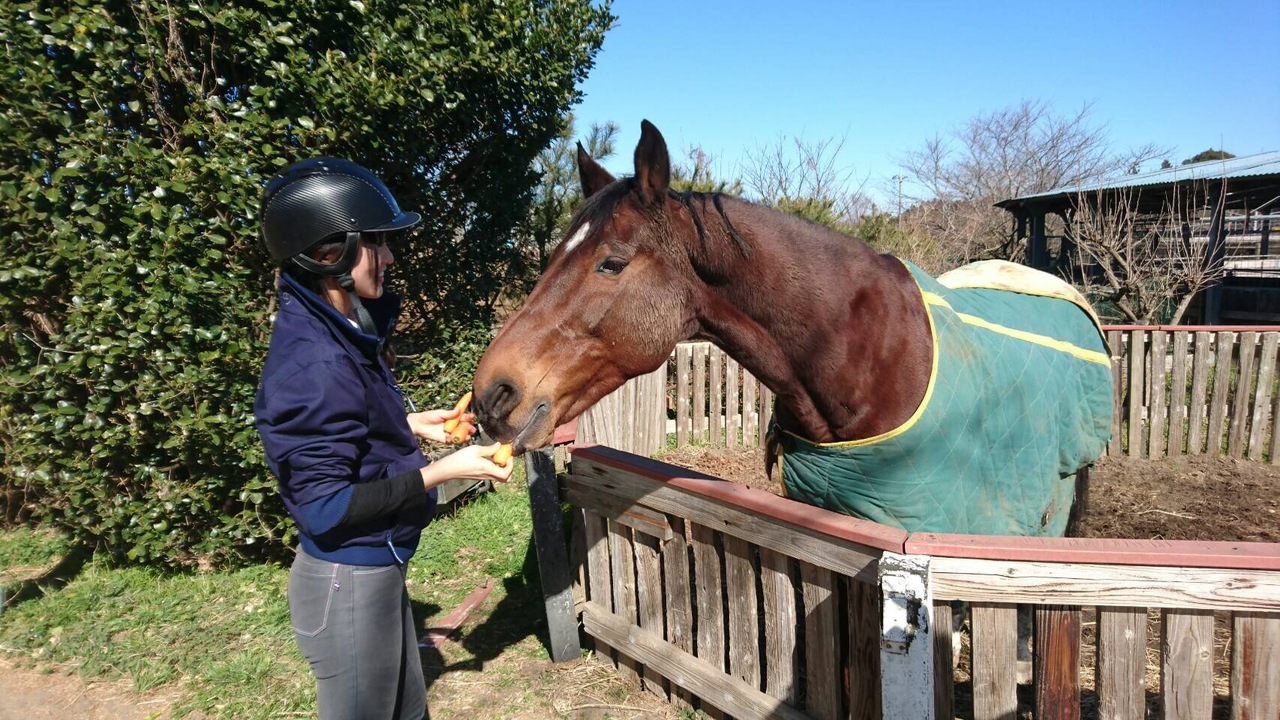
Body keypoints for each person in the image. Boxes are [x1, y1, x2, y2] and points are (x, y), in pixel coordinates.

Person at [253, 157, 513, 720]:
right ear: (329, 253)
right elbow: (325, 506)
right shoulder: (314, 363)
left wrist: (413, 425)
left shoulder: (341, 330)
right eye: (377, 242)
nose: (391, 256)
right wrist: (444, 470)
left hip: (376, 568)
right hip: (347, 581)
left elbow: (353, 425)